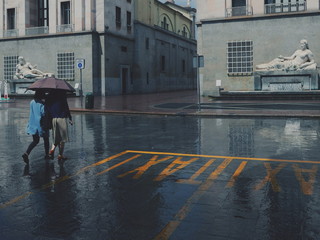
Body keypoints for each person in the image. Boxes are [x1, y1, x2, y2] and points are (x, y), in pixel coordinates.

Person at [22, 91, 50, 164]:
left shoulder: (32, 102)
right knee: (46, 139)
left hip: (33, 124)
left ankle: (26, 153)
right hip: (41, 125)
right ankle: (47, 154)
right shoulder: (42, 104)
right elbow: (43, 113)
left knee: (35, 141)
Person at [46, 90, 73, 160]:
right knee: (62, 139)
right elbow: (66, 108)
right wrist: (70, 118)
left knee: (56, 136)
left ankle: (52, 149)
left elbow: (47, 109)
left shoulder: (48, 97)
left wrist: (49, 120)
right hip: (62, 118)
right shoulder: (62, 96)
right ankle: (60, 155)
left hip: (53, 119)